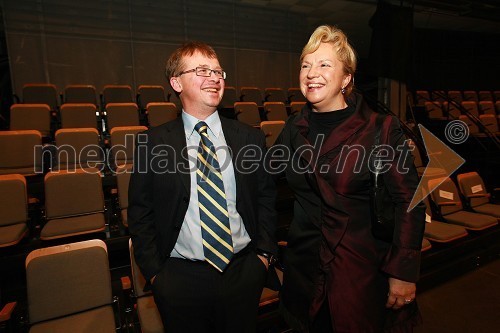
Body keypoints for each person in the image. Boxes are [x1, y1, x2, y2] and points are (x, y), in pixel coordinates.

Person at [271, 25, 425, 332]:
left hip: (359, 271)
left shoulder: (380, 128)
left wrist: (404, 272)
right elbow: (263, 175)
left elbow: (409, 202)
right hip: (305, 271)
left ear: (346, 78)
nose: (311, 72)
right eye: (305, 65)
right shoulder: (293, 127)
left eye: (324, 64)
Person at [128, 41, 277, 333]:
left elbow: (266, 199)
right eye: (201, 70)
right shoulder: (153, 143)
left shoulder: (249, 138)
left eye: (218, 71)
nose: (214, 77)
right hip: (179, 279)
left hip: (243, 273)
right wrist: (156, 275)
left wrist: (263, 258)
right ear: (176, 82)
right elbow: (140, 212)